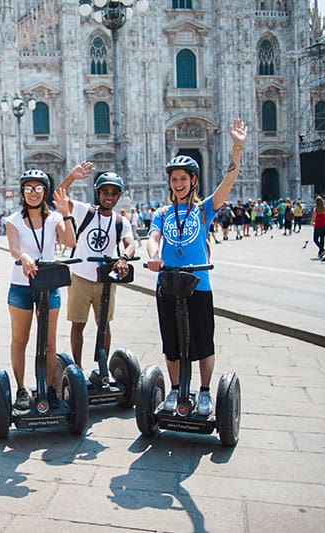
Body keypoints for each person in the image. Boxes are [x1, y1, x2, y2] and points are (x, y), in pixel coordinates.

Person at [146, 117, 247, 417]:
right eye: (174, 179)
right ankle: (176, 389)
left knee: (203, 342)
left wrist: (237, 147)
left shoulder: (204, 210)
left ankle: (204, 393)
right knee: (172, 345)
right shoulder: (162, 213)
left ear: (192, 181)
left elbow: (228, 182)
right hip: (167, 283)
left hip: (199, 284)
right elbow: (153, 238)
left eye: (183, 179)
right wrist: (154, 255)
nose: (178, 184)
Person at [6, 169, 75, 410]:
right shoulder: (13, 220)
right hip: (21, 287)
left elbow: (70, 242)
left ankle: (49, 388)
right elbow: (14, 247)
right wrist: (23, 255)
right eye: (28, 188)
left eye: (38, 188)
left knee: (49, 342)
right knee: (20, 339)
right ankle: (22, 389)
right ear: (22, 192)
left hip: (48, 285)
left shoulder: (54, 218)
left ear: (45, 192)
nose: (33, 193)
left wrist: (66, 213)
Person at [56, 164, 136, 370]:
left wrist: (124, 258)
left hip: (106, 279)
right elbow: (59, 195)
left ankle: (102, 368)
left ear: (119, 196)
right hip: (80, 277)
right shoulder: (85, 212)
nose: (109, 197)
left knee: (104, 325)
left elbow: (130, 243)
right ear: (98, 193)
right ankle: (77, 368)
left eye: (114, 193)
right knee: (78, 324)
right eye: (105, 192)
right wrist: (72, 176)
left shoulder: (121, 222)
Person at [311, 195, 325, 261]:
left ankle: (322, 249)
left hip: (318, 225)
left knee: (315, 239)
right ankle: (320, 252)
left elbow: (314, 218)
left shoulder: (316, 209)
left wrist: (312, 222)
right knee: (322, 238)